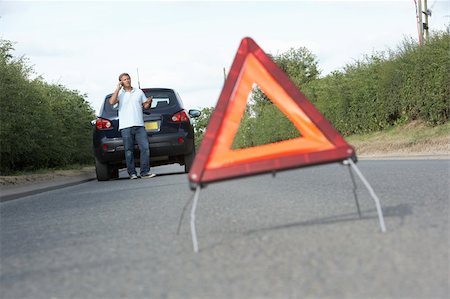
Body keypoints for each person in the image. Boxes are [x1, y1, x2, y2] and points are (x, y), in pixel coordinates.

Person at [109, 73, 156, 180]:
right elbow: (111, 102)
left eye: (128, 78)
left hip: (139, 125)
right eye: (124, 79)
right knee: (128, 150)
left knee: (145, 148)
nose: (127, 81)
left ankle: (144, 172)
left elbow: (145, 106)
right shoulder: (120, 94)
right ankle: (132, 173)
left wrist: (149, 102)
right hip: (126, 126)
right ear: (121, 82)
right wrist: (117, 88)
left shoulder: (138, 92)